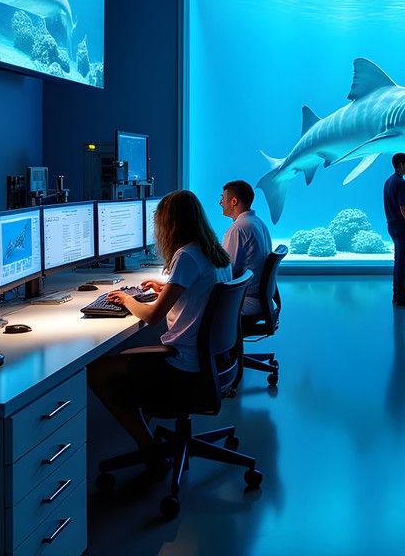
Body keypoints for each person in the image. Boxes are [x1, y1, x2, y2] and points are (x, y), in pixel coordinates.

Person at [87, 190, 235, 455]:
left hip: (184, 365)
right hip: (215, 360)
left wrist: (126, 299)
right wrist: (165, 289)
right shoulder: (213, 251)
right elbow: (198, 291)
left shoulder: (187, 256)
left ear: (170, 223)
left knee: (96, 371)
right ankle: (148, 435)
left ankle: (148, 448)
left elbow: (153, 317)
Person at [220, 179, 272, 317]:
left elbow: (229, 273)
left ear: (234, 201)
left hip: (246, 300)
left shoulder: (238, 229)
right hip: (259, 299)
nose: (221, 203)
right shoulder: (258, 223)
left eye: (223, 198)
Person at [384, 152, 405, 307]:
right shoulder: (402, 183)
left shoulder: (388, 181)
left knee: (398, 262)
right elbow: (404, 208)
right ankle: (401, 296)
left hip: (391, 225)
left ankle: (397, 294)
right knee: (402, 263)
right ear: (401, 164)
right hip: (402, 227)